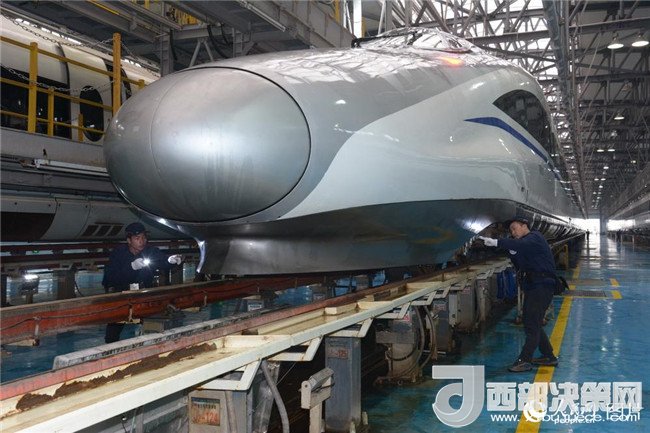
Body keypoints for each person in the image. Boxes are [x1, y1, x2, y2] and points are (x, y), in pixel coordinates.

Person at [479, 217, 558, 372]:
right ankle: (549, 356)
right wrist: (512, 252)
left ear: (524, 226)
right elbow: (520, 262)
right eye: (511, 230)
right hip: (534, 286)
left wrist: (497, 242)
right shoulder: (524, 244)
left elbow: (521, 245)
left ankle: (525, 360)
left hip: (542, 286)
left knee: (531, 322)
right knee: (531, 321)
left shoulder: (535, 237)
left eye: (515, 228)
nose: (513, 232)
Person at [102, 222, 182, 343]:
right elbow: (109, 278)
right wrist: (131, 267)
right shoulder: (118, 254)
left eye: (144, 237)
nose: (142, 241)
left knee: (154, 325)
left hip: (144, 294)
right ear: (129, 240)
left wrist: (170, 260)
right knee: (113, 331)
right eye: (137, 238)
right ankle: (110, 348)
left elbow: (161, 260)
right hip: (122, 295)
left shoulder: (150, 251)